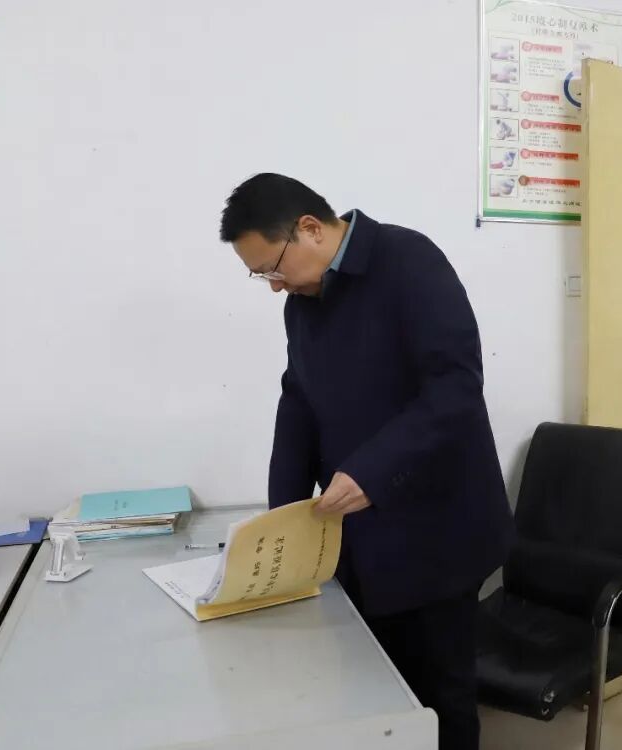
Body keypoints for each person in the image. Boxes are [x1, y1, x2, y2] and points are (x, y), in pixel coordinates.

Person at [219, 174, 515, 750]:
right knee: (377, 692)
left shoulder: (408, 262)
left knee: (440, 695)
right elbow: (298, 401)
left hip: (436, 530)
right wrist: (281, 521)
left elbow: (454, 388)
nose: (274, 286)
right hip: (359, 533)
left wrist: (373, 471)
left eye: (272, 268)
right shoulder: (304, 302)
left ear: (309, 228)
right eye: (260, 276)